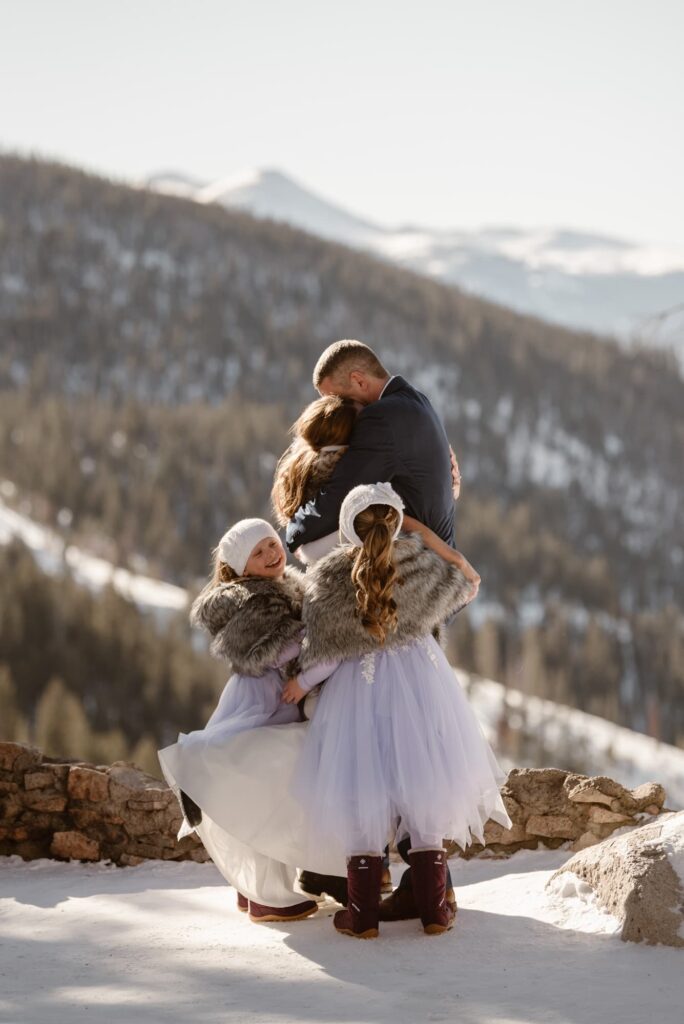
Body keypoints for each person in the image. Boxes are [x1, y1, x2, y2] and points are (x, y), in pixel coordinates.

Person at [285, 339, 467, 919]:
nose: (338, 412)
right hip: (418, 589)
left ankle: (359, 889)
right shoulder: (418, 402)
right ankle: (428, 891)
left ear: (360, 380)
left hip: (390, 597)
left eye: (338, 397)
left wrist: (290, 529)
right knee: (416, 744)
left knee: (370, 750)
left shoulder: (382, 419)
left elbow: (343, 497)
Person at [286, 482, 510, 938]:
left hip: (359, 693)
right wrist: (428, 540)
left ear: (347, 529)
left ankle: (363, 914)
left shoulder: (331, 578)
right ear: (396, 520)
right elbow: (466, 589)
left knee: (361, 793)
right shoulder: (421, 564)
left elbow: (328, 654)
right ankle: (434, 911)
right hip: (420, 687)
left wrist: (300, 683)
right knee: (421, 785)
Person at [158, 517, 336, 923]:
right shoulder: (249, 600)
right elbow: (277, 650)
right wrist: (324, 637)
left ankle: (249, 887)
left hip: (276, 705)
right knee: (264, 789)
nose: (272, 554)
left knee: (274, 787)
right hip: (259, 706)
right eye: (258, 553)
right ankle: (264, 895)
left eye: (272, 544)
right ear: (241, 568)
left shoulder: (285, 585)